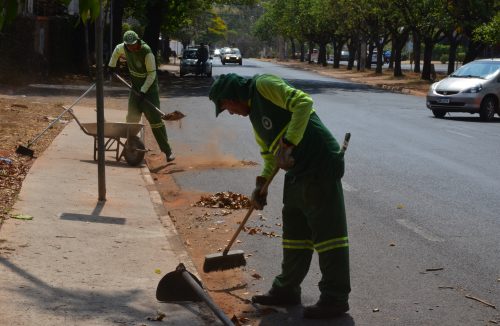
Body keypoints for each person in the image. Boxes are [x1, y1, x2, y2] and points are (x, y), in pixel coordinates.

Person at [208, 73, 350, 319]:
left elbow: (303, 103)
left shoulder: (263, 85)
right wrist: (261, 184)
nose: (229, 112)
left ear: (232, 97)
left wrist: (289, 143)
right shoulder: (253, 117)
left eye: (226, 107)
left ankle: (334, 298)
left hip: (319, 163)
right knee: (295, 234)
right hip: (296, 170)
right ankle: (286, 289)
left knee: (329, 237)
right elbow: (269, 156)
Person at [108, 30, 175, 162]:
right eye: (128, 45)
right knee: (131, 120)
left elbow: (152, 75)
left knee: (156, 122)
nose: (131, 47)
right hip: (135, 90)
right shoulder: (124, 47)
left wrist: (144, 91)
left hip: (149, 92)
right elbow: (116, 50)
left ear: (138, 41)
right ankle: (129, 147)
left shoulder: (147, 52)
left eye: (133, 44)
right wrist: (111, 66)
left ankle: (168, 151)